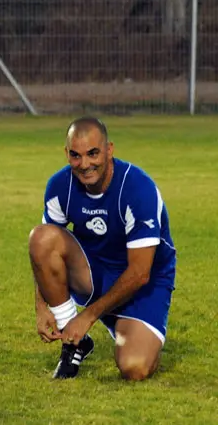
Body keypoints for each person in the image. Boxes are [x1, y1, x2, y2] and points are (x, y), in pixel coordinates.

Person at [29, 116, 176, 381]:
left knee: (134, 367)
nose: (84, 165)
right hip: (94, 272)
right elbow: (43, 249)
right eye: (75, 156)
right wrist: (42, 307)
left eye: (93, 153)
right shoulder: (60, 186)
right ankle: (75, 344)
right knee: (40, 237)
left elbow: (141, 273)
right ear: (66, 154)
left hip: (144, 283)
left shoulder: (138, 189)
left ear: (109, 149)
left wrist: (88, 316)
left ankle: (128, 328)